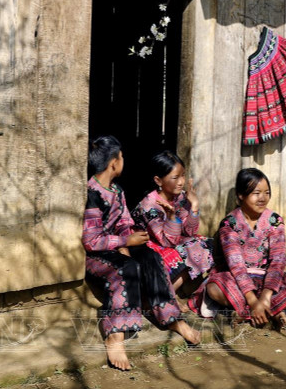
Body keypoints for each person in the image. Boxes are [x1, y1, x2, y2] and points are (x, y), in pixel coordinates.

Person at [82, 136, 200, 370]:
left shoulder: (117, 190)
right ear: (114, 163)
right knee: (127, 268)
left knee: (149, 256)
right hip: (96, 254)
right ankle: (115, 337)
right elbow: (91, 240)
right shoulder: (92, 193)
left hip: (118, 244)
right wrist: (125, 240)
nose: (123, 160)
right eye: (122, 156)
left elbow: (125, 220)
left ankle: (171, 317)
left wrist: (129, 241)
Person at [192, 167, 286, 328]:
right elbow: (236, 266)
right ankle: (272, 310)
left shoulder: (275, 221)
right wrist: (252, 300)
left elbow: (278, 260)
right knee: (214, 288)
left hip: (267, 280)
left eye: (267, 192)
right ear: (241, 195)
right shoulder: (229, 224)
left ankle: (250, 310)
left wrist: (265, 296)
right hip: (237, 279)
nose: (263, 198)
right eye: (256, 193)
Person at [132, 151, 214, 303]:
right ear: (158, 180)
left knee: (210, 244)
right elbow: (166, 242)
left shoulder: (181, 197)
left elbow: (189, 231)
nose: (181, 182)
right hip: (150, 247)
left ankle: (183, 287)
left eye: (183, 175)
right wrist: (171, 217)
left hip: (174, 240)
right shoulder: (149, 205)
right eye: (175, 177)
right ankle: (167, 297)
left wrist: (194, 206)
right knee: (188, 251)